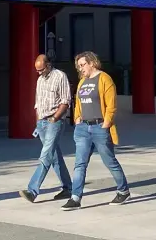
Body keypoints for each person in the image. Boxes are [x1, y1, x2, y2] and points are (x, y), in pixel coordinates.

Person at [65, 51, 130, 210]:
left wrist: (106, 124)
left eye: (83, 65)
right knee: (80, 164)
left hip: (99, 127)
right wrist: (77, 119)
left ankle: (123, 191)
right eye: (79, 66)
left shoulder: (104, 79)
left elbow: (111, 105)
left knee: (110, 161)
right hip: (83, 128)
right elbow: (78, 103)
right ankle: (75, 197)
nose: (80, 69)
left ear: (92, 63)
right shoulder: (82, 82)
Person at [21, 54, 73, 203]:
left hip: (54, 121)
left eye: (41, 69)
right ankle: (68, 188)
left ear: (49, 65)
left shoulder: (60, 76)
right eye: (37, 70)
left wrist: (55, 118)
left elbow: (65, 101)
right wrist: (38, 122)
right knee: (54, 156)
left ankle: (32, 190)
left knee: (46, 155)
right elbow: (38, 103)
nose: (39, 73)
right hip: (42, 122)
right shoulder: (40, 80)